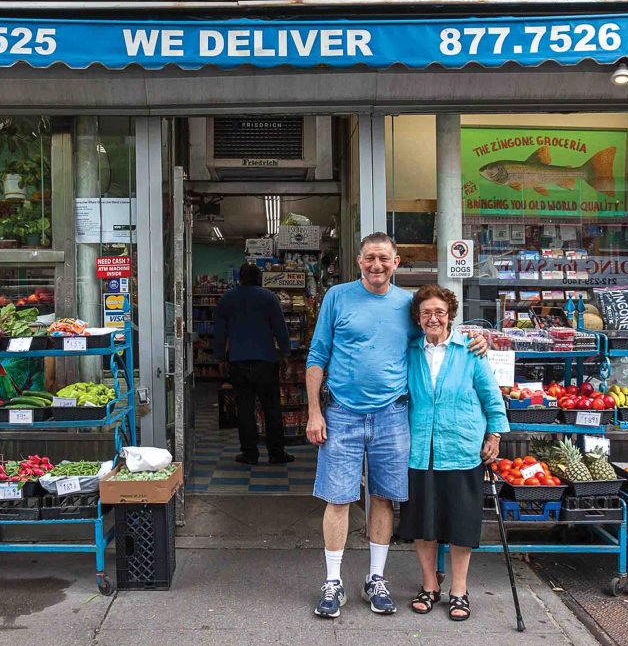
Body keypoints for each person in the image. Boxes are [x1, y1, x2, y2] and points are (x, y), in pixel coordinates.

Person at [305, 232, 487, 619]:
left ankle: (376, 578)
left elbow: (439, 331)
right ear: (359, 261)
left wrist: (477, 337)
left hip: (392, 415)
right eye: (370, 258)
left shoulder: (408, 304)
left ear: (396, 262)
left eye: (384, 259)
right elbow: (317, 355)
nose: (376, 265)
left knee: (383, 498)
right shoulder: (337, 297)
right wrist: (313, 412)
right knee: (338, 499)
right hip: (341, 413)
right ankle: (333, 582)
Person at [398, 284, 508, 621]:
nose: (433, 318)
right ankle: (429, 584)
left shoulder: (470, 352)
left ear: (450, 316)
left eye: (439, 312)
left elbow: (491, 397)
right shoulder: (410, 352)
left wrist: (495, 434)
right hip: (420, 450)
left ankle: (458, 590)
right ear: (417, 319)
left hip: (461, 447)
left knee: (461, 523)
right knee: (422, 522)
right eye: (426, 313)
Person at [214, 263, 294, 465]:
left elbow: (220, 333)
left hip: (239, 361)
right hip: (266, 361)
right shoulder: (268, 297)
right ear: (259, 278)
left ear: (240, 278)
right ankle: (277, 453)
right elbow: (280, 329)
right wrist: (285, 354)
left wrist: (220, 358)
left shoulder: (227, 299)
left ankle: (249, 454)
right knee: (271, 408)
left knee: (245, 409)